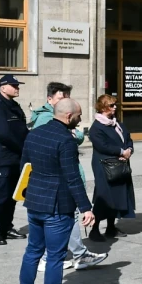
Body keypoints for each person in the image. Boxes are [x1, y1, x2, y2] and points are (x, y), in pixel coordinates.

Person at [16, 98, 96, 284]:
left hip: (34, 201)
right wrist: (86, 207)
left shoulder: (34, 133)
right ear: (68, 116)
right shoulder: (65, 140)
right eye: (79, 115)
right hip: (57, 205)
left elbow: (25, 166)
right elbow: (73, 179)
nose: (80, 120)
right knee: (55, 256)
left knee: (33, 251)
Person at [32, 84, 107, 272]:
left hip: (63, 178)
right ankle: (58, 257)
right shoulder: (46, 119)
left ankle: (74, 255)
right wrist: (86, 207)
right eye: (60, 98)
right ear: (50, 100)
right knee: (67, 217)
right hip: (56, 182)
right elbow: (50, 147)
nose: (65, 101)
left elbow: (79, 136)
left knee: (68, 217)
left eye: (67, 97)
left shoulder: (62, 121)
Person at [0, 75, 28, 245]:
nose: (17, 88)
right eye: (13, 85)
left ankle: (6, 227)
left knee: (12, 196)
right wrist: (23, 148)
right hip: (1, 159)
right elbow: (4, 134)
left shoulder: (14, 106)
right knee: (0, 196)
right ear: (2, 87)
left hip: (16, 158)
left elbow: (22, 131)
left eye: (17, 85)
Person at [88, 95, 135, 240]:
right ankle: (94, 230)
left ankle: (111, 227)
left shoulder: (117, 124)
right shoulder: (97, 127)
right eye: (112, 105)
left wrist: (129, 150)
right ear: (103, 107)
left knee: (118, 195)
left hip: (120, 164)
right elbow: (102, 146)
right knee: (105, 196)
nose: (115, 107)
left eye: (116, 104)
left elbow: (128, 139)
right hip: (104, 165)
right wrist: (121, 152)